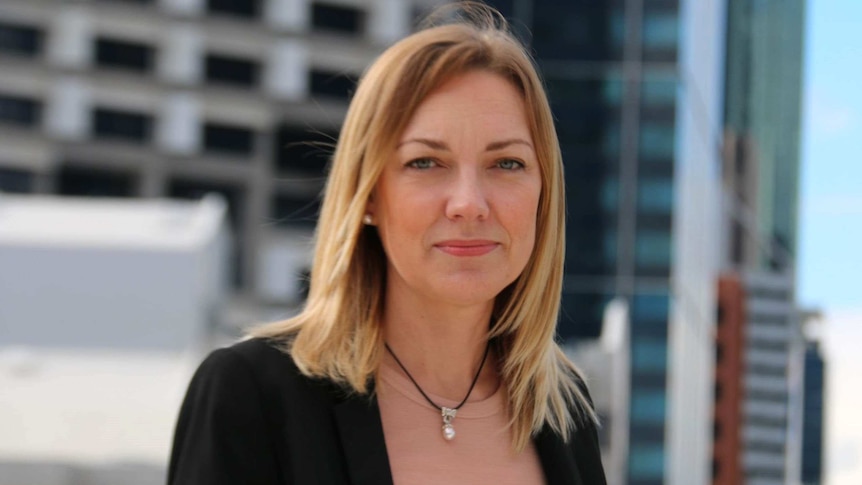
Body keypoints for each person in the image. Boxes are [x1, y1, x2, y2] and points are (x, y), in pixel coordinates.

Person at [167, 3, 607, 484]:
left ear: (545, 194)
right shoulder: (250, 395)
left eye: (506, 164)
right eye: (425, 162)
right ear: (370, 194)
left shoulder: (566, 412)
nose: (468, 203)